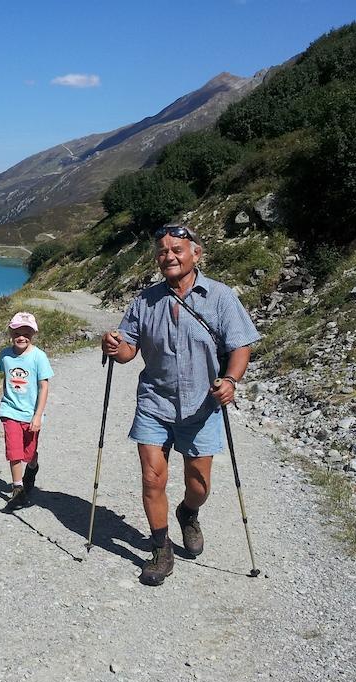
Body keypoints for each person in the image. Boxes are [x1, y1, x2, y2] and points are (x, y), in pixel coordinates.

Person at [101, 223, 260, 586]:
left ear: (196, 254)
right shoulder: (145, 301)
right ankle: (161, 548)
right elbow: (127, 352)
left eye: (177, 249)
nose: (168, 256)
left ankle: (188, 512)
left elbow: (241, 346)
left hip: (201, 406)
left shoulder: (220, 297)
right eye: (162, 251)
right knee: (152, 477)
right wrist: (113, 344)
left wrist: (231, 381)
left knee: (199, 483)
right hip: (154, 403)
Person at [0, 311, 54, 511]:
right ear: (11, 332)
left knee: (29, 454)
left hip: (31, 415)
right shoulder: (5, 355)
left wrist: (37, 415)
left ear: (33, 334)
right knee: (14, 452)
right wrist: (5, 404)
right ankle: (18, 490)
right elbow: (6, 380)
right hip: (10, 411)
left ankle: (32, 469)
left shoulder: (38, 357)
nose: (22, 336)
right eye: (18, 332)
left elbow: (44, 386)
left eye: (26, 332)